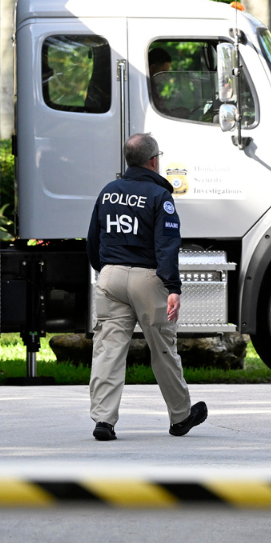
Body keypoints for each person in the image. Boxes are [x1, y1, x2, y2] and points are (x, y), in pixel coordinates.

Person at [85, 132, 207, 441]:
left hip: (110, 277)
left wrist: (106, 270)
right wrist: (173, 287)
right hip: (147, 279)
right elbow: (166, 244)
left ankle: (103, 420)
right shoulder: (158, 196)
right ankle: (180, 417)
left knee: (108, 351)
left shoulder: (108, 192)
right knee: (163, 349)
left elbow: (92, 240)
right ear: (154, 161)